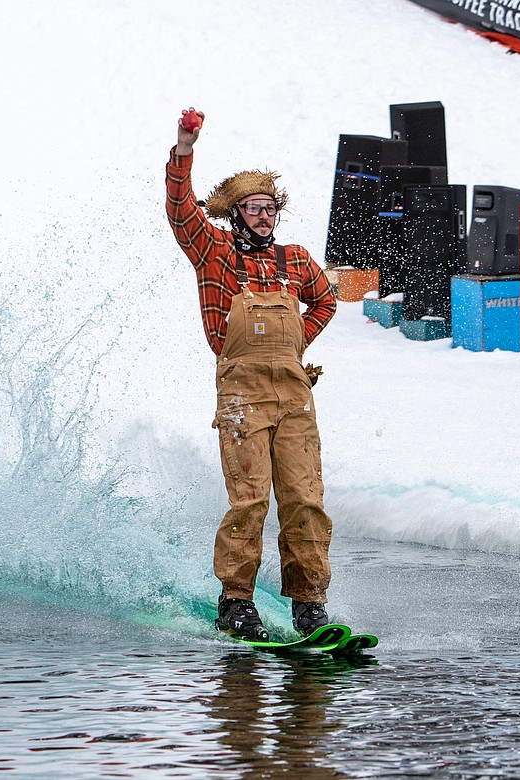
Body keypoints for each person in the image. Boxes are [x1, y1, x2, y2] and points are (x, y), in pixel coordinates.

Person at [165, 106, 337, 642]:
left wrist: (293, 347)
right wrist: (185, 149)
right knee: (251, 499)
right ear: (235, 214)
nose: (263, 216)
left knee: (305, 499)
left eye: (269, 208)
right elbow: (179, 211)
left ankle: (309, 604)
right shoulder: (214, 253)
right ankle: (236, 602)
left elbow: (326, 300)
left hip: (294, 396)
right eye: (253, 208)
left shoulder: (296, 259)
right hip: (241, 396)